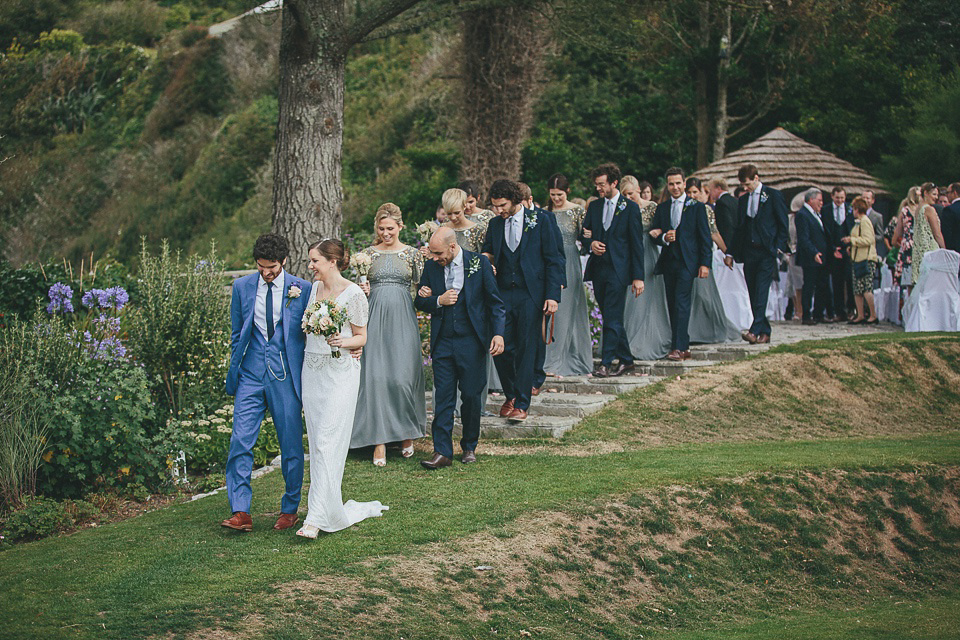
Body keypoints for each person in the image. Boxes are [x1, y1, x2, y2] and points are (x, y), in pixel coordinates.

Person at [221, 234, 312, 533]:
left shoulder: (303, 288)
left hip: (285, 374)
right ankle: (240, 511)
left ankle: (289, 509)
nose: (266, 272)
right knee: (241, 439)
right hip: (250, 372)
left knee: (290, 443)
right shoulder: (242, 287)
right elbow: (237, 332)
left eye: (271, 267)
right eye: (261, 267)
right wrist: (238, 364)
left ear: (284, 261)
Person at [297, 239, 386, 538]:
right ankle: (327, 508)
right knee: (318, 442)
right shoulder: (313, 289)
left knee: (328, 441)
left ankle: (315, 517)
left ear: (332, 261)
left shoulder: (354, 294)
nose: (311, 266)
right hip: (312, 371)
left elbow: (361, 338)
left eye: (315, 261)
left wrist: (342, 342)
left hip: (340, 374)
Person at [415, 227, 505, 468]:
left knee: (472, 396)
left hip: (472, 341)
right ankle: (442, 452)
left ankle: (469, 446)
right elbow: (420, 300)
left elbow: (495, 303)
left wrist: (498, 333)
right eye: (432, 254)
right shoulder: (432, 266)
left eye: (438, 253)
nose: (434, 258)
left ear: (453, 247)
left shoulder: (479, 264)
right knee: (443, 397)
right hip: (443, 341)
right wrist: (437, 300)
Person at [481, 179, 563, 421]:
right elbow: (489, 251)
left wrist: (552, 296)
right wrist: (487, 260)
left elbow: (553, 259)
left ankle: (522, 405)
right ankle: (512, 394)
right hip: (503, 293)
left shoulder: (543, 221)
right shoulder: (495, 224)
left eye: (502, 205)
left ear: (515, 200)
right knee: (500, 347)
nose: (498, 211)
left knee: (527, 349)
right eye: (494, 206)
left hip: (531, 293)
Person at [352, 204, 426, 467]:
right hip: (373, 319)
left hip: (403, 319)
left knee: (403, 377)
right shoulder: (366, 255)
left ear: (400, 227)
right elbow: (355, 294)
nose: (386, 233)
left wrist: (427, 295)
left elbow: (423, 288)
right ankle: (379, 441)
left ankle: (406, 433)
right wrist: (361, 289)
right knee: (376, 378)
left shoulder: (414, 255)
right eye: (381, 229)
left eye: (390, 229)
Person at [579, 163, 645, 376]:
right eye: (596, 184)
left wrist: (638, 277)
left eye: (601, 184)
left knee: (613, 316)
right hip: (598, 269)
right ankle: (627, 360)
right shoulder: (595, 207)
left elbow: (637, 245)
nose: (598, 188)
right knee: (609, 315)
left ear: (614, 183)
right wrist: (592, 245)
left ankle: (606, 363)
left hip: (619, 270)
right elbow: (584, 235)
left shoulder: (630, 208)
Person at [649, 168, 711, 360]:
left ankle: (680, 346)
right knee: (672, 303)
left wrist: (705, 264)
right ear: (667, 186)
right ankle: (679, 344)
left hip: (688, 261)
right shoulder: (663, 208)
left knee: (682, 302)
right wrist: (665, 238)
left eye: (678, 183)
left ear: (685, 184)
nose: (675, 187)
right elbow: (655, 235)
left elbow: (704, 238)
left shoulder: (697, 206)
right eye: (671, 184)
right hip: (669, 261)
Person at [725, 164, 789, 344]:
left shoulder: (773, 195)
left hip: (766, 251)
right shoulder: (744, 201)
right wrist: (731, 252)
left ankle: (754, 330)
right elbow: (739, 229)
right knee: (753, 291)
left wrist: (778, 247)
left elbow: (783, 224)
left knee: (761, 289)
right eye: (743, 185)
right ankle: (765, 331)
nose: (745, 188)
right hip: (749, 251)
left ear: (756, 178)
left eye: (747, 184)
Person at [543, 173, 592, 376]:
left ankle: (568, 358)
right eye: (553, 194)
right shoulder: (544, 212)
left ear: (568, 192)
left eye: (560, 195)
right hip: (548, 261)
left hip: (570, 261)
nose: (556, 198)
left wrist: (588, 236)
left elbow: (586, 239)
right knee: (551, 311)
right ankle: (549, 359)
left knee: (568, 309)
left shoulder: (577, 211)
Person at [518, 181, 565, 394]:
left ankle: (536, 377)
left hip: (541, 285)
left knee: (538, 334)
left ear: (529, 200)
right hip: (518, 287)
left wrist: (555, 286)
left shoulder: (546, 218)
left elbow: (557, 254)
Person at [620, 175, 671, 360]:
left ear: (639, 191)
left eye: (631, 193)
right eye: (624, 194)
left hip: (648, 253)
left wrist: (658, 232)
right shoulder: (623, 209)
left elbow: (662, 229)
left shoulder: (652, 207)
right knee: (631, 298)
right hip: (629, 254)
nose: (628, 197)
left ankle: (649, 338)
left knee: (650, 295)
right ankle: (628, 340)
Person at [684, 177, 739, 344]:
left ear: (701, 192)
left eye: (695, 192)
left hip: (702, 257)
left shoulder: (706, 210)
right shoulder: (682, 208)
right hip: (685, 257)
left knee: (704, 295)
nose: (692, 195)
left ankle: (708, 329)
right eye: (689, 192)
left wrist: (728, 253)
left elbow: (714, 233)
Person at [841, 196, 879, 324]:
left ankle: (873, 315)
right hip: (857, 259)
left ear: (857, 209)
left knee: (866, 288)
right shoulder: (859, 222)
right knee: (857, 289)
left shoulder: (864, 222)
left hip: (866, 259)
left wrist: (851, 241)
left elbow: (868, 240)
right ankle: (860, 314)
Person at [794, 188, 830, 325]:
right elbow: (804, 238)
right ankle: (807, 315)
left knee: (822, 284)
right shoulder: (803, 215)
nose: (821, 203)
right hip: (810, 257)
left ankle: (818, 313)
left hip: (822, 256)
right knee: (809, 285)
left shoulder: (816, 214)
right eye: (819, 200)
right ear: (811, 199)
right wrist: (813, 252)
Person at [824, 186, 854, 321]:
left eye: (842, 198)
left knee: (850, 280)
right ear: (832, 197)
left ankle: (851, 310)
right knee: (836, 282)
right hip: (833, 250)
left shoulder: (850, 209)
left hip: (848, 250)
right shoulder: (826, 210)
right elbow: (824, 232)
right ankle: (839, 312)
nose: (840, 200)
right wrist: (832, 249)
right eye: (837, 198)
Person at [912, 182, 947, 278]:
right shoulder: (929, 209)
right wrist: (944, 250)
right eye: (934, 194)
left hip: (919, 251)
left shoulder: (918, 209)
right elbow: (937, 234)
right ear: (926, 193)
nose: (936, 197)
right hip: (930, 250)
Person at [441, 188, 487, 252]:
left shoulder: (477, 231)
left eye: (457, 213)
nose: (453, 217)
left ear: (464, 207)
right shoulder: (441, 229)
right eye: (449, 214)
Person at [892, 186, 921, 289]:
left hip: (907, 250)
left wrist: (902, 244)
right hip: (921, 249)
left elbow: (896, 237)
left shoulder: (904, 212)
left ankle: (910, 304)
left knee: (909, 286)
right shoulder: (925, 210)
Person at [707, 177, 741, 252]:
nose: (710, 193)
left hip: (727, 245)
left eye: (711, 190)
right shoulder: (735, 201)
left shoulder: (721, 203)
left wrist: (728, 251)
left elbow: (726, 227)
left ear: (718, 188)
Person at [942, 182, 960, 274]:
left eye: (948, 193)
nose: (947, 195)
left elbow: (946, 233)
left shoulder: (949, 210)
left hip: (955, 253)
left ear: (955, 193)